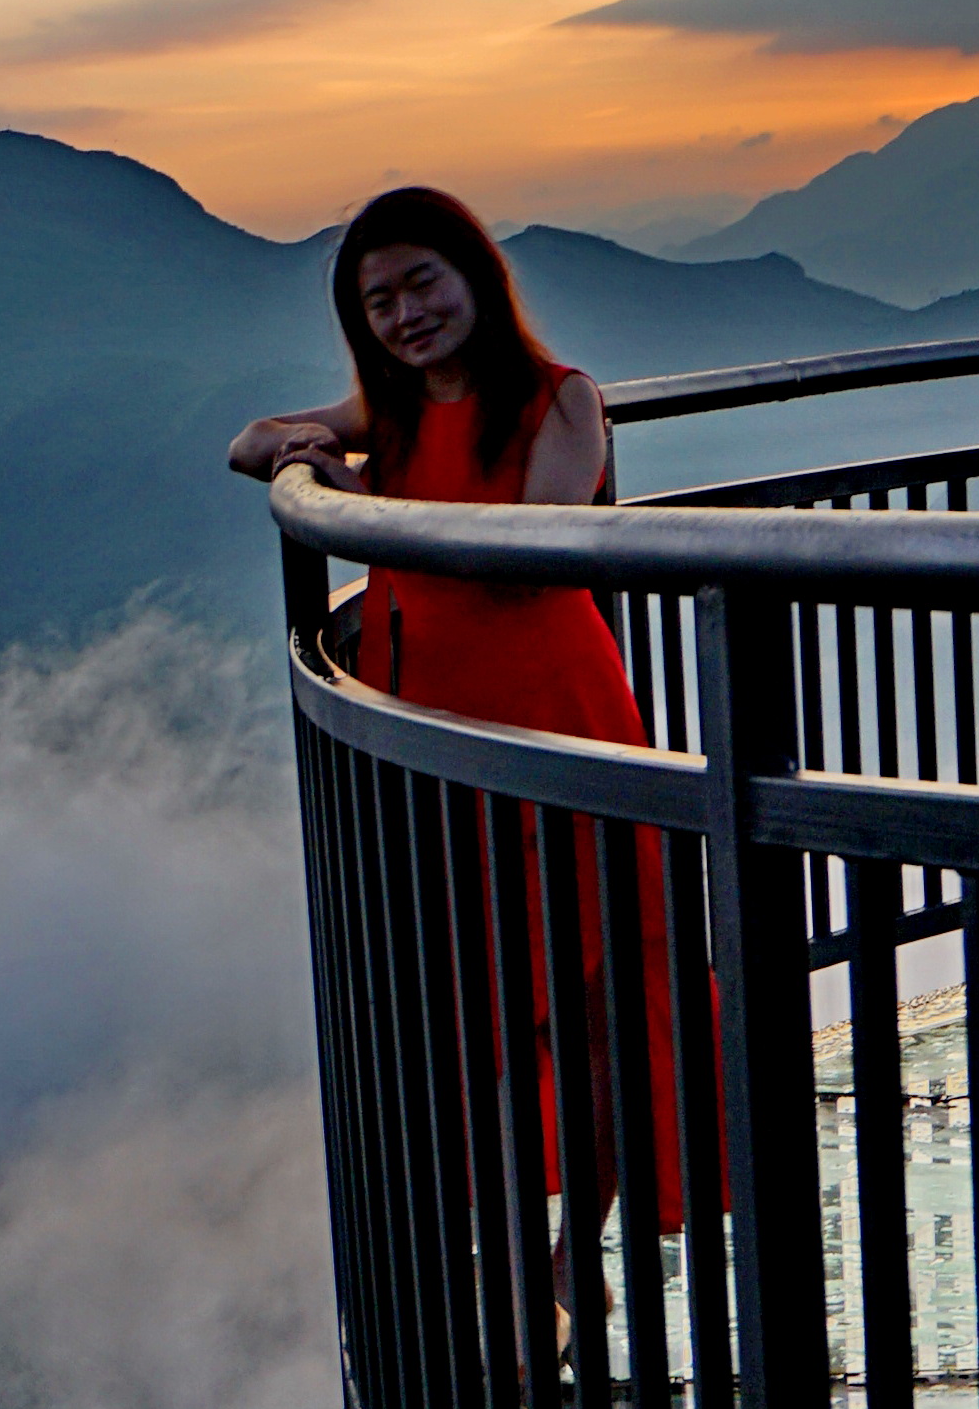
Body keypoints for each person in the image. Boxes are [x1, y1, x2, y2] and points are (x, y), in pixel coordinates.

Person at [236, 182, 685, 1230]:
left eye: (420, 282)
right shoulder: (390, 410)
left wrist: (355, 498)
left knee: (597, 992)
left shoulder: (557, 399)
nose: (405, 315)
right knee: (477, 997)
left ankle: (586, 1245)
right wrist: (305, 457)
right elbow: (246, 440)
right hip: (440, 732)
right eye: (378, 302)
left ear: (474, 272)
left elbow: (530, 552)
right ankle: (521, 1252)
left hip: (558, 717)